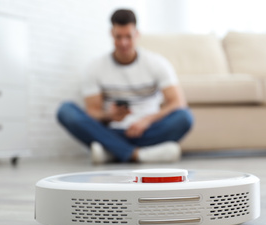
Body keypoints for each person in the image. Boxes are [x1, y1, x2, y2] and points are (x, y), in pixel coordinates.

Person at [57, 9, 193, 164]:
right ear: (111, 33)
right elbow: (92, 111)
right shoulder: (95, 67)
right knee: (66, 111)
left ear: (137, 34)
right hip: (113, 130)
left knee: (184, 117)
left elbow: (178, 102)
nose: (123, 43)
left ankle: (111, 151)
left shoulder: (157, 63)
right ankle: (137, 154)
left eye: (128, 36)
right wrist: (109, 116)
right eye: (118, 37)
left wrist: (147, 120)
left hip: (148, 130)